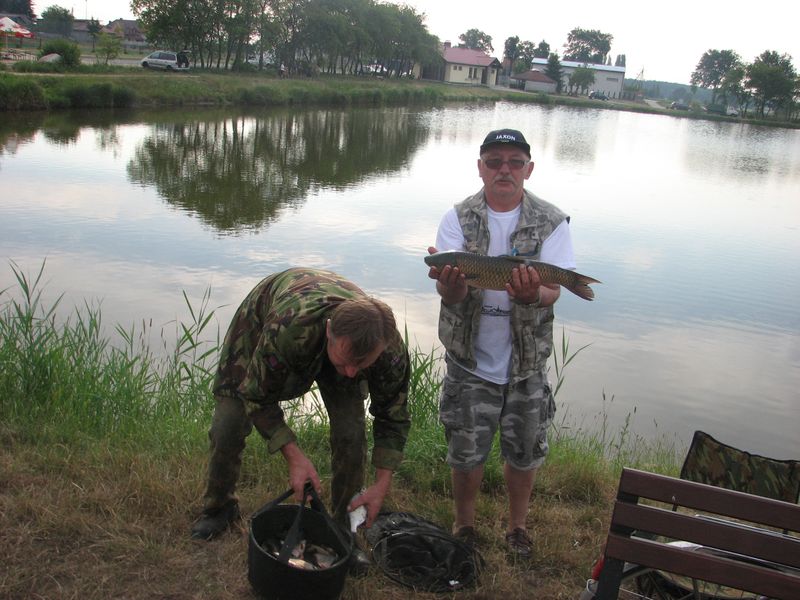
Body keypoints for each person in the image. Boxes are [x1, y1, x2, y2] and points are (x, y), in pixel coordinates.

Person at [426, 128, 576, 559]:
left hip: (525, 363)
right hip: (470, 360)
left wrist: (534, 292)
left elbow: (553, 291)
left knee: (524, 451)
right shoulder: (457, 217)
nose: (504, 169)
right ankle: (465, 525)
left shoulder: (551, 220)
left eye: (513, 161)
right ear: (480, 168)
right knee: (466, 451)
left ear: (529, 168)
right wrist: (451, 285)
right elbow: (451, 296)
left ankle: (517, 528)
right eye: (494, 161)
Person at [191, 268, 411, 560]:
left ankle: (343, 529)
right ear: (331, 330)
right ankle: (219, 508)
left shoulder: (389, 350)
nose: (350, 373)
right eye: (345, 362)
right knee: (228, 422)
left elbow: (393, 416)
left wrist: (382, 483)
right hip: (266, 315)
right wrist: (294, 456)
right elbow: (256, 395)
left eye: (362, 365)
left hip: (334, 335)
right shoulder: (289, 327)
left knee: (351, 432)